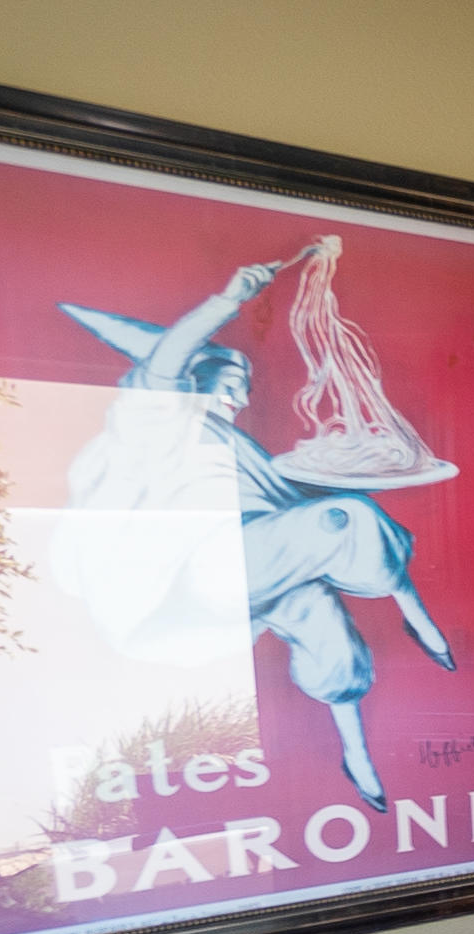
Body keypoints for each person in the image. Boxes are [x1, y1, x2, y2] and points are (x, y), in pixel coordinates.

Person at [51, 254, 452, 813]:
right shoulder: (159, 423)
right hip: (206, 567)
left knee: (329, 631)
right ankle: (417, 616)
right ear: (196, 382)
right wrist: (227, 301)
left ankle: (356, 756)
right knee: (344, 518)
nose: (241, 397)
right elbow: (167, 360)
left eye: (245, 386)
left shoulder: (244, 449)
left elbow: (280, 499)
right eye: (231, 383)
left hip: (256, 564)